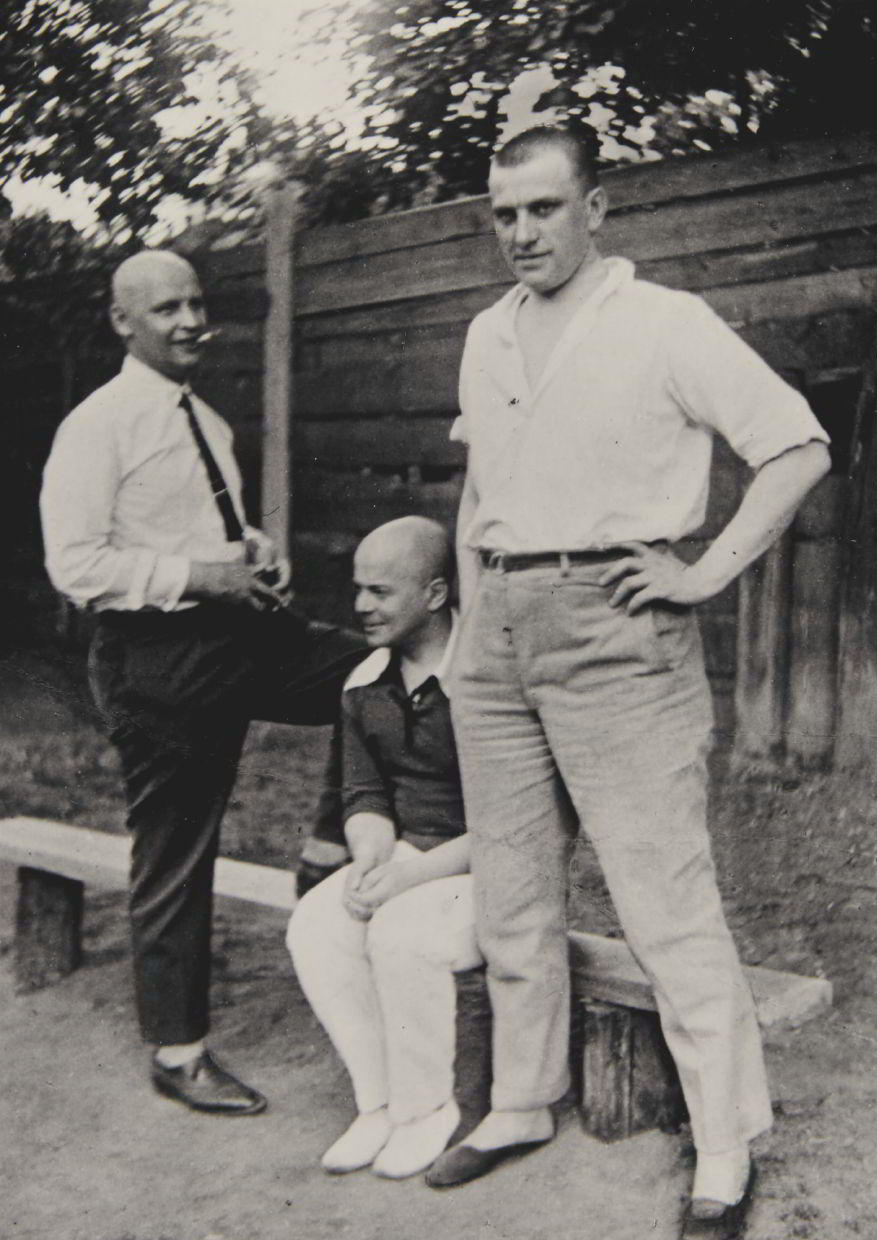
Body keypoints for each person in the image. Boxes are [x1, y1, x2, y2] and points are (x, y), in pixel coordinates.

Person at [425, 125, 830, 1239]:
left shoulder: (664, 322)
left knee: (663, 895)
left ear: (595, 209)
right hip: (499, 634)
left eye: (544, 208)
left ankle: (725, 1143)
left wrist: (703, 573)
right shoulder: (487, 333)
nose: (522, 233)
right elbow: (481, 487)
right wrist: (468, 626)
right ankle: (520, 1101)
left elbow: (796, 447)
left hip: (617, 628)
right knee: (512, 886)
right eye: (504, 213)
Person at [40, 250, 363, 1117]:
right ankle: (177, 1051)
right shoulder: (97, 426)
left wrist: (252, 550)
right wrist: (199, 576)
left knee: (375, 673)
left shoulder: (206, 420)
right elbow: (76, 564)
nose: (190, 322)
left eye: (195, 304)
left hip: (240, 631)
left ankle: (327, 844)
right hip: (158, 658)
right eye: (166, 309)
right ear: (123, 322)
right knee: (178, 848)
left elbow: (201, 525)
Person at [286, 516, 481, 1179]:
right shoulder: (365, 681)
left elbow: (513, 827)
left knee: (399, 933)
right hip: (409, 860)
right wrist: (370, 854)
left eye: (380, 591)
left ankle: (427, 1109)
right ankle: (378, 1102)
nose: (360, 606)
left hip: (494, 872)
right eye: (357, 589)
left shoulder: (484, 680)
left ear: (434, 593)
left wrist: (408, 879)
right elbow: (364, 793)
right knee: (316, 925)